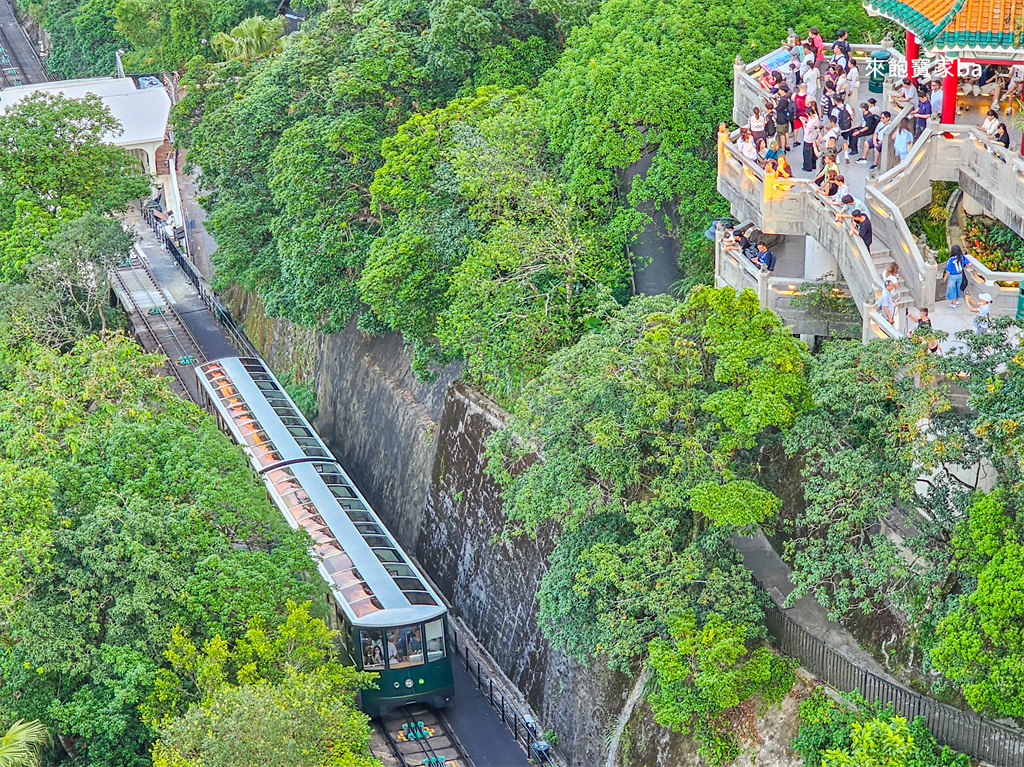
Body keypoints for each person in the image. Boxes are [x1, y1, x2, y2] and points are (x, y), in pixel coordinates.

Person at [775, 86, 794, 152]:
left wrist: (774, 103)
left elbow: (778, 109)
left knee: (781, 134)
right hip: (786, 117)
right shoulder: (787, 97)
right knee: (786, 131)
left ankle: (782, 149)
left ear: (783, 91)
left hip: (781, 118)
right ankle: (787, 145)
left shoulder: (783, 100)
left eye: (780, 90)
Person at [802, 102, 820, 171]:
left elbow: (806, 132)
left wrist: (804, 123)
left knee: (807, 154)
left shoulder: (810, 123)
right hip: (814, 136)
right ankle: (813, 165)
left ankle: (807, 167)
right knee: (813, 152)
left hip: (808, 138)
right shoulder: (816, 116)